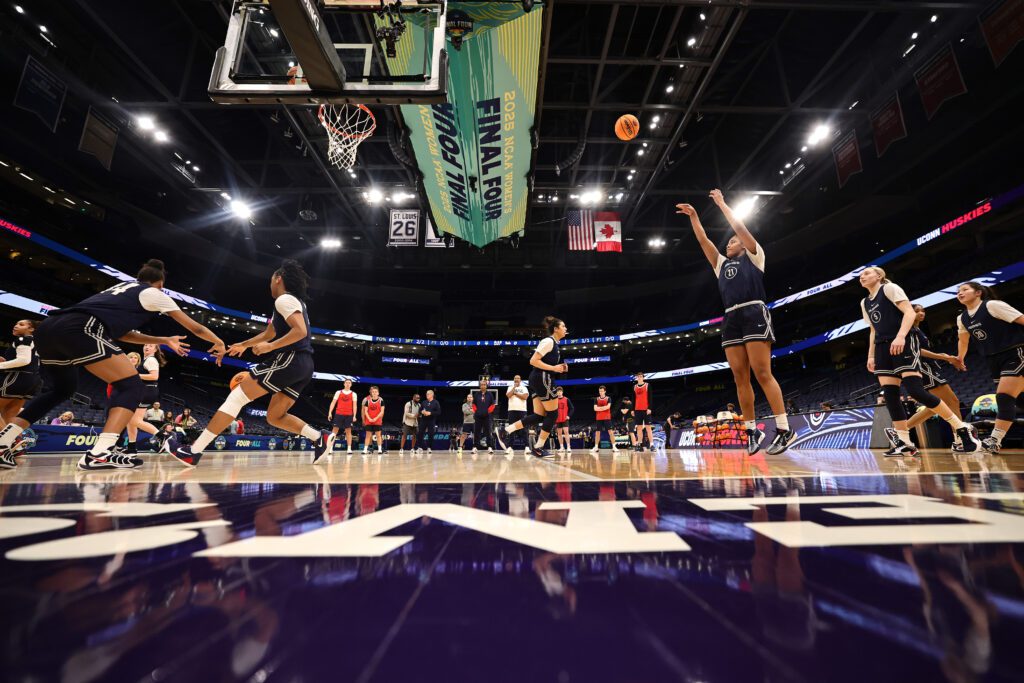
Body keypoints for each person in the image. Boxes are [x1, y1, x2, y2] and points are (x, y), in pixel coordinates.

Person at [0, 259, 219, 471]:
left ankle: (4, 441)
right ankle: (100, 453)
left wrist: (162, 340)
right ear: (161, 284)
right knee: (131, 385)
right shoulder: (154, 293)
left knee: (62, 390)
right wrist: (218, 342)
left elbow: (123, 335)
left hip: (48, 328)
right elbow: (196, 328)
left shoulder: (121, 287)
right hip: (81, 328)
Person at [169, 260, 330, 467]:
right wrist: (244, 345)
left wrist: (270, 347)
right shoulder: (291, 302)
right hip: (303, 365)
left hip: (290, 358)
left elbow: (300, 331)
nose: (269, 283)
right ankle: (319, 438)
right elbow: (269, 333)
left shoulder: (284, 300)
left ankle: (193, 451)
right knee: (275, 417)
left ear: (278, 278)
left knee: (235, 398)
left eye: (272, 278)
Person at [677, 192, 793, 455]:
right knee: (740, 377)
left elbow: (739, 227)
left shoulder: (755, 256)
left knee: (762, 372)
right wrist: (694, 217)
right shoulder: (721, 264)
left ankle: (785, 429)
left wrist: (721, 205)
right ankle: (751, 431)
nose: (729, 243)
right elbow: (703, 241)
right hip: (730, 317)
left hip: (753, 311)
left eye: (732, 241)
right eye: (728, 242)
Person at [858, 266, 979, 456]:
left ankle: (961, 427)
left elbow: (909, 312)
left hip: (902, 340)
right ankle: (904, 441)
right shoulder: (865, 302)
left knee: (916, 390)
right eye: (860, 275)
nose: (862, 277)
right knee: (890, 395)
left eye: (866, 273)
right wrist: (871, 355)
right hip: (882, 346)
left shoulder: (889, 288)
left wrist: (900, 336)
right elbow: (873, 330)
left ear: (879, 276)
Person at [956, 281, 1024, 454]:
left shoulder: (993, 306)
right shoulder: (962, 318)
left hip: (1015, 352)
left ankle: (994, 440)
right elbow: (963, 340)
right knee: (1020, 400)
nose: (960, 293)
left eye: (965, 290)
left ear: (978, 292)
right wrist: (960, 358)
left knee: (1004, 397)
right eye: (958, 291)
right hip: (993, 359)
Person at [897, 304, 972, 452]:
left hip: (927, 367)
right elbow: (918, 350)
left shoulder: (918, 330)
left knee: (935, 407)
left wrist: (945, 357)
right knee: (952, 402)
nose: (921, 313)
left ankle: (899, 431)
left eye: (923, 310)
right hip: (923, 367)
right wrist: (943, 357)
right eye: (917, 311)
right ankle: (959, 439)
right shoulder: (908, 329)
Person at [496, 316, 569, 458]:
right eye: (563, 326)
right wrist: (554, 368)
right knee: (553, 414)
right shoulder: (548, 341)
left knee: (539, 415)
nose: (566, 328)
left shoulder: (554, 344)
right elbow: (533, 360)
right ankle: (538, 447)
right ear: (556, 329)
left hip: (537, 379)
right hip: (542, 377)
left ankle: (505, 430)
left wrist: (558, 368)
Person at [123, 344, 166, 454]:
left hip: (147, 391)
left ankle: (163, 436)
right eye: (146, 345)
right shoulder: (145, 360)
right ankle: (131, 448)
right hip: (143, 391)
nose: (147, 347)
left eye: (151, 346)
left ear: (155, 349)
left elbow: (154, 377)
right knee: (130, 421)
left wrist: (135, 375)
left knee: (134, 420)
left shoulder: (151, 360)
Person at [0, 319, 40, 432]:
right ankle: (16, 444)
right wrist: (6, 361)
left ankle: (8, 442)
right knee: (9, 415)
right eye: (16, 323)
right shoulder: (37, 342)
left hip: (17, 377)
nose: (16, 326)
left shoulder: (23, 339)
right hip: (32, 380)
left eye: (21, 324)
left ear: (31, 329)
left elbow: (23, 360)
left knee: (8, 414)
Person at [327, 378, 357, 454]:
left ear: (351, 384)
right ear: (344, 384)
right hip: (339, 414)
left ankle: (349, 449)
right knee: (334, 431)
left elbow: (355, 406)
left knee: (348, 432)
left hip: (349, 415)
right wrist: (330, 412)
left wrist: (354, 416)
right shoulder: (338, 392)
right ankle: (330, 448)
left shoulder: (353, 394)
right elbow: (333, 403)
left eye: (349, 383)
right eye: (346, 382)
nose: (347, 384)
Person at [471, 377, 496, 454]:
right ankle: (475, 447)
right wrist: (476, 411)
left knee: (488, 432)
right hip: (478, 416)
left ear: (486, 385)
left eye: (484, 385)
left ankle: (490, 447)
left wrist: (488, 412)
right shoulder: (476, 394)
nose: (483, 386)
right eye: (481, 385)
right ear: (480, 386)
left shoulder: (490, 394)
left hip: (487, 417)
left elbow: (493, 404)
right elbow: (473, 404)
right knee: (476, 432)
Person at [590, 385, 618, 454]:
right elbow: (595, 408)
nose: (601, 392)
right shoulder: (596, 399)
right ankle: (596, 447)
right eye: (600, 391)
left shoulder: (608, 398)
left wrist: (600, 408)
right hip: (599, 418)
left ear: (605, 391)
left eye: (602, 391)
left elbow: (608, 407)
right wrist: (603, 408)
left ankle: (614, 446)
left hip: (607, 417)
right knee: (597, 433)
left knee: (610, 432)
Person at [505, 375, 530, 453]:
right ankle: (510, 447)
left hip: (522, 410)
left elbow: (525, 397)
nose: (516, 379)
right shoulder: (510, 387)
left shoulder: (524, 388)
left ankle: (527, 447)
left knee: (524, 429)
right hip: (512, 410)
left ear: (520, 380)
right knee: (512, 428)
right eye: (515, 378)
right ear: (513, 380)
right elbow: (508, 395)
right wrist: (514, 388)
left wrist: (515, 393)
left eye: (518, 378)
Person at [361, 386, 385, 454]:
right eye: (373, 392)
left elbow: (382, 412)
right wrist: (369, 419)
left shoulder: (381, 401)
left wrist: (375, 418)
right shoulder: (367, 401)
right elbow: (365, 411)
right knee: (368, 436)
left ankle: (380, 449)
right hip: (369, 421)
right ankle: (365, 449)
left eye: (375, 392)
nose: (374, 393)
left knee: (378, 435)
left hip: (377, 421)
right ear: (371, 392)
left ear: (378, 393)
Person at [633, 373, 654, 451]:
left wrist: (649, 408)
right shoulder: (634, 387)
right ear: (636, 378)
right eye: (638, 377)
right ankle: (640, 444)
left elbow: (650, 397)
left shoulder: (647, 385)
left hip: (646, 409)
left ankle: (652, 445)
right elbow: (633, 399)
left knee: (648, 427)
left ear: (643, 378)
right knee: (639, 428)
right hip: (637, 409)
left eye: (641, 376)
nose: (639, 378)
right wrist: (632, 409)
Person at [554, 386, 574, 453]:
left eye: (560, 391)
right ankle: (561, 447)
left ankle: (568, 447)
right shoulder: (555, 400)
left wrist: (568, 415)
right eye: (558, 392)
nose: (559, 393)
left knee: (566, 432)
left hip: (565, 418)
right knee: (559, 433)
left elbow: (572, 408)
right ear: (556, 393)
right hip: (557, 419)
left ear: (562, 392)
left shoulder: (566, 399)